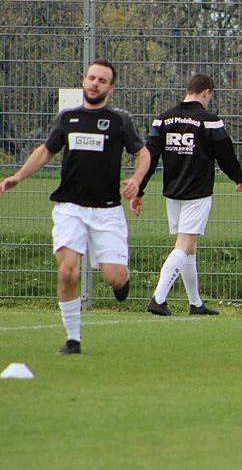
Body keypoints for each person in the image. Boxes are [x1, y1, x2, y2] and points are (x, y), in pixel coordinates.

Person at [0, 59, 149, 355]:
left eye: (102, 80)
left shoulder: (120, 120)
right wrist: (18, 176)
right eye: (91, 78)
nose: (95, 84)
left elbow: (142, 153)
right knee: (67, 272)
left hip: (107, 211)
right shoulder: (67, 118)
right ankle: (73, 339)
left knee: (115, 277)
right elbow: (46, 151)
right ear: (84, 81)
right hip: (70, 207)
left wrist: (136, 179)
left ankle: (122, 281)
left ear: (111, 88)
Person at [137, 74, 242, 317]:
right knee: (184, 246)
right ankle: (158, 298)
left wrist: (139, 188)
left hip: (173, 192)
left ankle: (195, 304)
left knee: (189, 248)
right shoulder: (210, 121)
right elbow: (225, 154)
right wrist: (238, 177)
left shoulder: (162, 119)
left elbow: (150, 157)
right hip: (197, 194)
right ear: (206, 93)